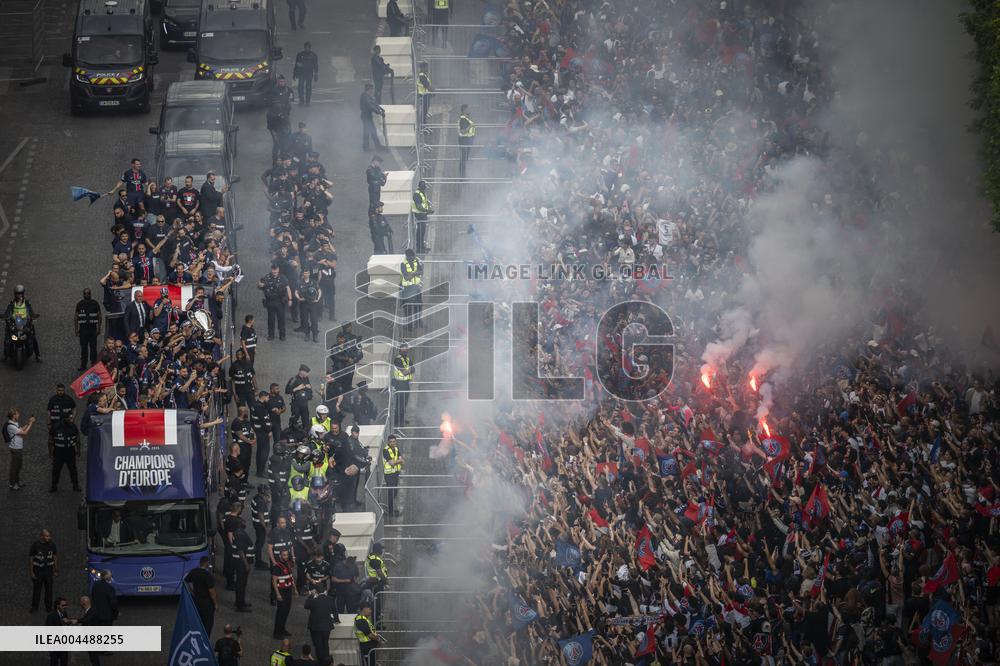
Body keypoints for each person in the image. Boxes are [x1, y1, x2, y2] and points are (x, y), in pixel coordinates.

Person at [3, 284, 41, 361]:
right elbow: (7, 312)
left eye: (20, 293)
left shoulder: (27, 303)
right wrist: (5, 317)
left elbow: (31, 312)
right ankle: (5, 355)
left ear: (23, 293)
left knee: (33, 337)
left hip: (25, 322)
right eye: (17, 293)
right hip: (14, 323)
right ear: (15, 294)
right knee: (7, 338)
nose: (19, 295)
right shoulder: (11, 303)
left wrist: (33, 317)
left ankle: (38, 355)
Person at [305, 582, 337, 664]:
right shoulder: (330, 599)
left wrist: (311, 595)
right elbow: (335, 611)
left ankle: (321, 662)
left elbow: (306, 605)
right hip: (327, 626)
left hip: (315, 627)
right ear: (325, 591)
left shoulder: (314, 601)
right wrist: (336, 620)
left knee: (318, 645)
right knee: (325, 644)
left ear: (316, 591)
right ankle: (327, 661)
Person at [184, 556, 217, 636]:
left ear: (200, 563)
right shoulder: (207, 575)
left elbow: (185, 581)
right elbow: (211, 591)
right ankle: (205, 640)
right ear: (206, 563)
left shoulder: (193, 572)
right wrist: (215, 603)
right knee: (207, 623)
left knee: (197, 620)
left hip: (196, 600)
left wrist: (191, 591)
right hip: (206, 602)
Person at [258, 263, 292, 341]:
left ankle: (282, 335)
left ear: (278, 270)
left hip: (280, 301)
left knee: (281, 319)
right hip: (270, 301)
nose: (274, 273)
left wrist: (290, 299)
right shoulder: (267, 277)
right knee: (271, 320)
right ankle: (271, 335)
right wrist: (260, 285)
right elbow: (259, 285)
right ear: (271, 269)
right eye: (273, 271)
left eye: (276, 271)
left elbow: (288, 288)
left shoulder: (283, 277)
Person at [29, 529, 58, 614]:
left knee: (49, 590)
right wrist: (31, 572)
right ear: (41, 536)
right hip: (38, 571)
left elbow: (55, 557)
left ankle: (48, 608)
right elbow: (31, 560)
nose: (49, 537)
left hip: (48, 572)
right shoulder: (35, 545)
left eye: (49, 536)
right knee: (36, 590)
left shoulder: (52, 545)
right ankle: (34, 607)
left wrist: (56, 569)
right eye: (47, 536)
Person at [5, 408, 35, 490]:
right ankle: (12, 484)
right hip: (15, 449)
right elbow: (24, 433)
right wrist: (31, 423)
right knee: (14, 467)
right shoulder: (11, 426)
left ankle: (17, 481)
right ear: (13, 416)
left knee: (18, 466)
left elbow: (21, 430)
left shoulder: (14, 423)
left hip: (18, 448)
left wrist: (28, 423)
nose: (19, 415)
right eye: (17, 414)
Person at [49, 416, 81, 492]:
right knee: (56, 470)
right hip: (58, 453)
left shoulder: (73, 426)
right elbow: (50, 440)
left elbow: (77, 438)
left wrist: (78, 449)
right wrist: (50, 452)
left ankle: (75, 485)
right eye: (69, 418)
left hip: (70, 452)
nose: (70, 419)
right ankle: (54, 486)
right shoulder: (56, 427)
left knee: (73, 469)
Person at [267, 76, 294, 162]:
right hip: (275, 126)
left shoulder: (288, 90)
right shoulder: (273, 91)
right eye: (280, 81)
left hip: (284, 121)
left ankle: (283, 157)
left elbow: (292, 98)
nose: (282, 83)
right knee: (277, 143)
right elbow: (270, 125)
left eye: (283, 81)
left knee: (285, 141)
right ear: (278, 82)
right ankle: (275, 160)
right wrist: (273, 132)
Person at [271, 549, 296, 638]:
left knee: (286, 611)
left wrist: (294, 589)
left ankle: (282, 629)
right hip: (281, 591)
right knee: (281, 612)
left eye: (286, 555)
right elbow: (274, 580)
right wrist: (277, 594)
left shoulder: (288, 564)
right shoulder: (277, 566)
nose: (286, 556)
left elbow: (290, 577)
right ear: (280, 556)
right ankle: (277, 633)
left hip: (288, 590)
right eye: (284, 555)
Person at [74, 288, 102, 371]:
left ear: (91, 294)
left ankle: (94, 364)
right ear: (83, 294)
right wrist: (76, 329)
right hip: (83, 331)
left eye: (88, 293)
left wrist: (98, 328)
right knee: (83, 349)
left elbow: (99, 316)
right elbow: (76, 317)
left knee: (93, 349)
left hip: (92, 330)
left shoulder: (95, 303)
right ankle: (83, 365)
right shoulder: (79, 304)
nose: (87, 295)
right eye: (85, 293)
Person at [231, 517, 254, 612]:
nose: (245, 522)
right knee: (240, 584)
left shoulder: (238, 532)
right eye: (243, 521)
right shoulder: (240, 534)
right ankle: (240, 605)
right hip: (241, 563)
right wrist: (246, 564)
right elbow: (240, 551)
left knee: (242, 583)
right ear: (239, 524)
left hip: (241, 562)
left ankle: (241, 601)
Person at [294, 268, 322, 343]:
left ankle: (315, 335)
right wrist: (299, 298)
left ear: (309, 274)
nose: (306, 274)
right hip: (304, 304)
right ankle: (307, 335)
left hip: (313, 304)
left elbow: (319, 291)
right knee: (305, 321)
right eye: (304, 273)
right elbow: (296, 292)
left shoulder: (313, 282)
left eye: (307, 273)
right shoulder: (299, 282)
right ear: (303, 274)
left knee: (314, 320)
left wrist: (318, 299)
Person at [399, 249, 423, 330]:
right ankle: (409, 326)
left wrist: (412, 274)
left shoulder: (416, 261)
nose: (413, 258)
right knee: (408, 309)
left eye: (413, 257)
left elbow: (421, 272)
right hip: (407, 289)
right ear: (407, 257)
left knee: (418, 306)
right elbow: (406, 277)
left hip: (416, 288)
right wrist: (415, 273)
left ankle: (418, 322)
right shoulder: (403, 264)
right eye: (411, 257)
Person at [391, 344, 414, 427]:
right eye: (403, 349)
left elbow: (413, 369)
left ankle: (402, 420)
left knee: (404, 403)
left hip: (406, 384)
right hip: (399, 384)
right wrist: (409, 370)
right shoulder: (398, 360)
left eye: (406, 349)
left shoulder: (407, 359)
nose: (405, 351)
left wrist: (409, 370)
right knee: (399, 404)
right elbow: (404, 372)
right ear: (400, 350)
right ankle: (397, 422)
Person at [251, 391, 274, 476]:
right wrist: (268, 431)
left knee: (260, 451)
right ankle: (261, 472)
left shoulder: (255, 404)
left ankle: (259, 471)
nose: (268, 399)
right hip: (262, 432)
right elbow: (263, 421)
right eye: (267, 397)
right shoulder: (259, 407)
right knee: (264, 452)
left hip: (258, 431)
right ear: (263, 397)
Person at [45, 597, 72, 666]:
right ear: (57, 605)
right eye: (63, 605)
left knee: (64, 661)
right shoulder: (51, 616)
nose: (65, 607)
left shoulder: (64, 613)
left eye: (66, 605)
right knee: (54, 662)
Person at [286, 364, 313, 430]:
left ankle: (305, 435)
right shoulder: (294, 379)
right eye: (307, 373)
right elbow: (287, 390)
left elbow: (309, 388)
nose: (308, 374)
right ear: (302, 372)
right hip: (296, 404)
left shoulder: (306, 378)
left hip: (304, 404)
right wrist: (297, 388)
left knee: (306, 421)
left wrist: (309, 388)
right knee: (295, 420)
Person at [360, 83, 386, 152]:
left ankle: (367, 147)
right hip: (366, 117)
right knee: (370, 132)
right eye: (372, 89)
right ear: (369, 90)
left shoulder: (367, 96)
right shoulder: (365, 97)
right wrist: (379, 112)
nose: (373, 91)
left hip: (367, 117)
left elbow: (374, 103)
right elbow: (370, 106)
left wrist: (380, 109)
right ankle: (375, 147)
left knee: (369, 132)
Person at [250, 484, 271, 568]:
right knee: (260, 544)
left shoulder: (256, 498)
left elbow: (268, 500)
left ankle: (257, 560)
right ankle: (258, 563)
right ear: (263, 492)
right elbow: (261, 516)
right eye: (266, 490)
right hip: (260, 526)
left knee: (258, 542)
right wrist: (266, 528)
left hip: (256, 524)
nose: (268, 492)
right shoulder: (261, 502)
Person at [382, 434, 403, 516]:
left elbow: (401, 459)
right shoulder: (386, 450)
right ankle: (390, 512)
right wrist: (398, 461)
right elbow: (392, 462)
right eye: (390, 442)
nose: (392, 443)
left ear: (396, 441)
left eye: (394, 441)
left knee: (394, 492)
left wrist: (397, 461)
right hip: (389, 475)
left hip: (395, 473)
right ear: (388, 442)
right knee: (391, 493)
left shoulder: (396, 448)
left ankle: (391, 508)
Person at [293, 42, 319, 106]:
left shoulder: (313, 55)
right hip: (301, 73)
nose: (307, 49)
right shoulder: (300, 55)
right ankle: (301, 101)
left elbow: (316, 65)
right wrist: (294, 74)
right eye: (306, 47)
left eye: (308, 47)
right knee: (300, 87)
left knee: (308, 87)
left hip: (309, 74)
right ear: (304, 48)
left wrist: (316, 74)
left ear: (310, 48)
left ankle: (307, 101)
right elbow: (296, 65)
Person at [410, 181, 433, 253]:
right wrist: (427, 210)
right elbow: (418, 206)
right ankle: (419, 248)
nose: (425, 189)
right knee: (420, 232)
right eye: (424, 188)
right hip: (419, 215)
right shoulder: (417, 194)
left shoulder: (422, 193)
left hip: (423, 215)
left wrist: (428, 206)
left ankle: (422, 247)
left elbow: (424, 202)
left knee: (422, 232)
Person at [457, 104, 476, 178]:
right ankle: (462, 176)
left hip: (467, 140)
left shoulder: (466, 118)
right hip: (464, 141)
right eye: (468, 109)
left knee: (464, 158)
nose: (469, 110)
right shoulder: (463, 119)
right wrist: (470, 126)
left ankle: (463, 175)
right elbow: (463, 131)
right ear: (464, 110)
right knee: (463, 159)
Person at [416, 61, 432, 127]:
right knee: (424, 112)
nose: (427, 68)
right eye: (426, 67)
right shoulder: (422, 76)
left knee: (424, 112)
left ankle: (424, 125)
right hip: (423, 96)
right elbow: (427, 86)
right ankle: (423, 126)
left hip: (425, 96)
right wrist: (434, 90)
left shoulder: (423, 75)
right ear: (423, 68)